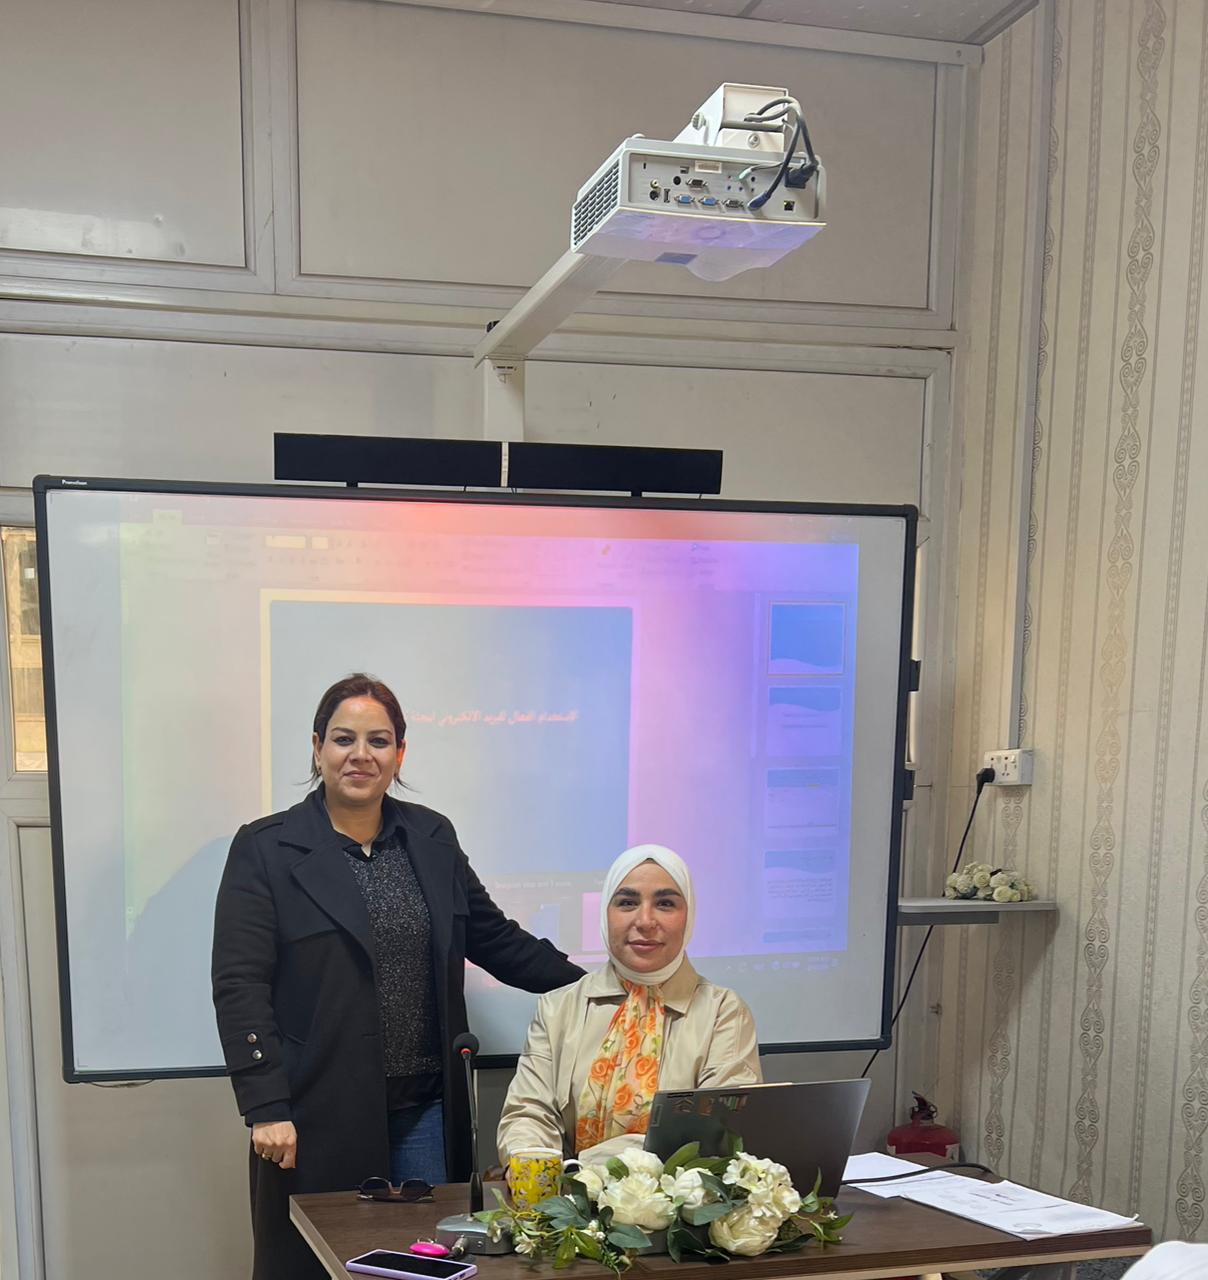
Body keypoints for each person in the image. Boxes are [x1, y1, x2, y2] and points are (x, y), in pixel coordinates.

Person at [212, 673, 583, 1280]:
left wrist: (598, 988)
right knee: (322, 1265)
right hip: (316, 1109)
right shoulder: (266, 849)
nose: (360, 755)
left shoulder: (432, 837)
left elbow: (495, 939)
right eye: (343, 739)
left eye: (378, 741)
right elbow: (239, 984)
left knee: (426, 1265)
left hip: (425, 1111)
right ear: (317, 748)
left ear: (400, 753)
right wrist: (265, 1105)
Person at [497, 843, 761, 1166]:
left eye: (665, 903)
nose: (645, 920)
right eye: (627, 902)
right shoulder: (558, 1009)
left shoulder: (724, 1013)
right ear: (605, 914)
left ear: (689, 916)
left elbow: (715, 1137)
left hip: (678, 1198)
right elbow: (527, 1116)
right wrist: (538, 1169)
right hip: (564, 1194)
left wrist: (584, 1166)